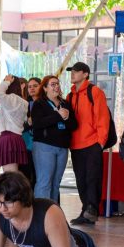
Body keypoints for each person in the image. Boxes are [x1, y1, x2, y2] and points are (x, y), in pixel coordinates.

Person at [66, 62, 111, 225]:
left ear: (85, 74)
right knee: (81, 179)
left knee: (93, 178)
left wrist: (100, 142)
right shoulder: (69, 95)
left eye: (76, 71)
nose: (72, 74)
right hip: (75, 144)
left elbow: (102, 118)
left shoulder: (95, 92)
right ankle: (86, 210)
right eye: (72, 71)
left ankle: (92, 209)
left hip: (92, 143)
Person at [30, 75, 76, 203]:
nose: (56, 87)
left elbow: (74, 125)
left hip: (62, 147)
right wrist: (57, 115)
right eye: (53, 84)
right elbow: (37, 124)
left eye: (57, 84)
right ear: (45, 88)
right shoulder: (39, 103)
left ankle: (53, 215)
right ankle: (40, 215)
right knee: (45, 182)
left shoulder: (65, 103)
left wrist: (67, 118)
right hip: (44, 147)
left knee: (56, 183)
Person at [0, 75, 30, 174]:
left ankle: (14, 190)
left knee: (10, 175)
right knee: (13, 173)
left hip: (8, 138)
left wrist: (6, 82)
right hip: (17, 138)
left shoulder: (11, 99)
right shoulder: (24, 102)